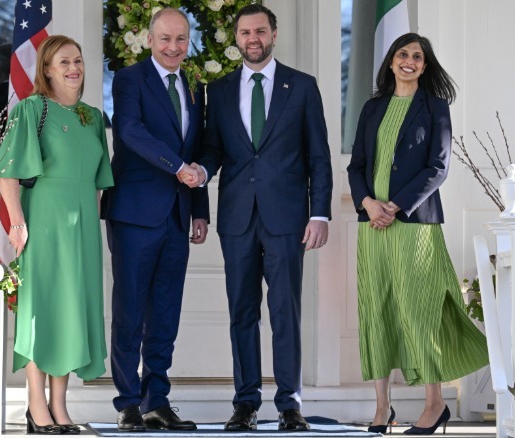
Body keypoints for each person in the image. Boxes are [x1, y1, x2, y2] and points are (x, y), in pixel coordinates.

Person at [190, 4, 333, 432]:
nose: (253, 39)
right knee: (242, 312)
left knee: (285, 312)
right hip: (237, 218)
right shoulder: (219, 90)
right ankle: (246, 403)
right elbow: (213, 149)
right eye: (245, 32)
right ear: (236, 38)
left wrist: (321, 213)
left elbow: (319, 157)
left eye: (260, 31)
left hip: (288, 218)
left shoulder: (303, 87)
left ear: (274, 34)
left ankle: (290, 404)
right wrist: (201, 171)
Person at [346, 33, 489, 435]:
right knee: (376, 311)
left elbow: (438, 167)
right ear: (391, 62)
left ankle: (434, 403)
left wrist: (396, 205)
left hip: (414, 225)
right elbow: (356, 166)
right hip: (372, 226)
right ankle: (382, 409)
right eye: (402, 54)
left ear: (424, 67)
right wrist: (369, 204)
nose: (409, 61)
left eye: (417, 57)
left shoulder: (435, 107)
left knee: (418, 311)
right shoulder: (372, 108)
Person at [0, 35, 114, 435]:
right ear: (46, 69)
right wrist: (17, 222)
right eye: (63, 62)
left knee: (71, 310)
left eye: (77, 60)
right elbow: (9, 172)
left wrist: (87, 221)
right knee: (41, 309)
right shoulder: (31, 109)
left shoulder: (93, 116)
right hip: (42, 221)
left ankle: (60, 407)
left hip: (81, 227)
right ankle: (35, 406)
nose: (73, 68)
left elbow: (99, 181)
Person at [99, 7, 210, 432]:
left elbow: (198, 147)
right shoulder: (130, 80)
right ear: (149, 40)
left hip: (179, 215)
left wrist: (199, 208)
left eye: (181, 39)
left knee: (165, 312)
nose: (173, 47)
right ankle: (127, 403)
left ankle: (156, 399)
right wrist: (176, 165)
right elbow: (129, 131)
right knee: (129, 310)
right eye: (165, 38)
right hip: (134, 211)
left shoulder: (195, 86)